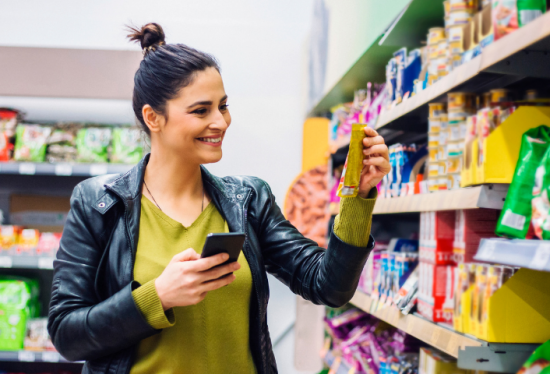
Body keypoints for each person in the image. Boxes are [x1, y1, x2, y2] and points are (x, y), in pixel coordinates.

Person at [47, 23, 391, 374]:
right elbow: (67, 333)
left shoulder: (248, 200)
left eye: (223, 106)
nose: (220, 121)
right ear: (153, 118)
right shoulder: (99, 204)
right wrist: (158, 295)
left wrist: (357, 195)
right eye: (201, 110)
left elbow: (328, 287)